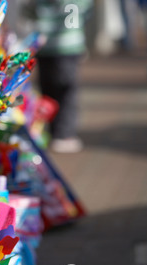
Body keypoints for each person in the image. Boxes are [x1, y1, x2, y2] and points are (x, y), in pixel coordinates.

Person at [23, 0, 93, 153]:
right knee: (61, 91)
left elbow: (28, 10)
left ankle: (57, 131)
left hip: (51, 44)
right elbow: (86, 8)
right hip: (64, 44)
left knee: (55, 89)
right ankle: (60, 133)